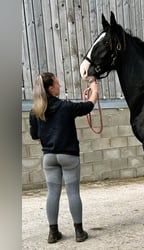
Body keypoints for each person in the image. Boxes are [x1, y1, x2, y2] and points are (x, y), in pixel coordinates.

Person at [29, 72, 99, 243]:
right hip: (68, 156)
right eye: (57, 84)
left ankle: (53, 233)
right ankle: (79, 232)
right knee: (73, 193)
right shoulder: (65, 107)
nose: (60, 86)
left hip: (49, 157)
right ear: (51, 89)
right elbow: (88, 106)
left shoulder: (35, 112)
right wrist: (94, 90)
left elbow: (35, 136)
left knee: (52, 193)